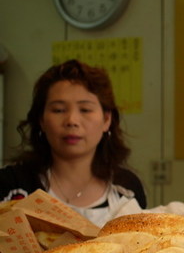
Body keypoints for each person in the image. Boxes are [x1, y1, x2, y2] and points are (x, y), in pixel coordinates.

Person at [0, 59, 147, 225]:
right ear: (41, 120)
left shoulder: (127, 189)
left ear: (106, 119)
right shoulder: (11, 184)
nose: (72, 120)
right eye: (59, 110)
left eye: (85, 109)